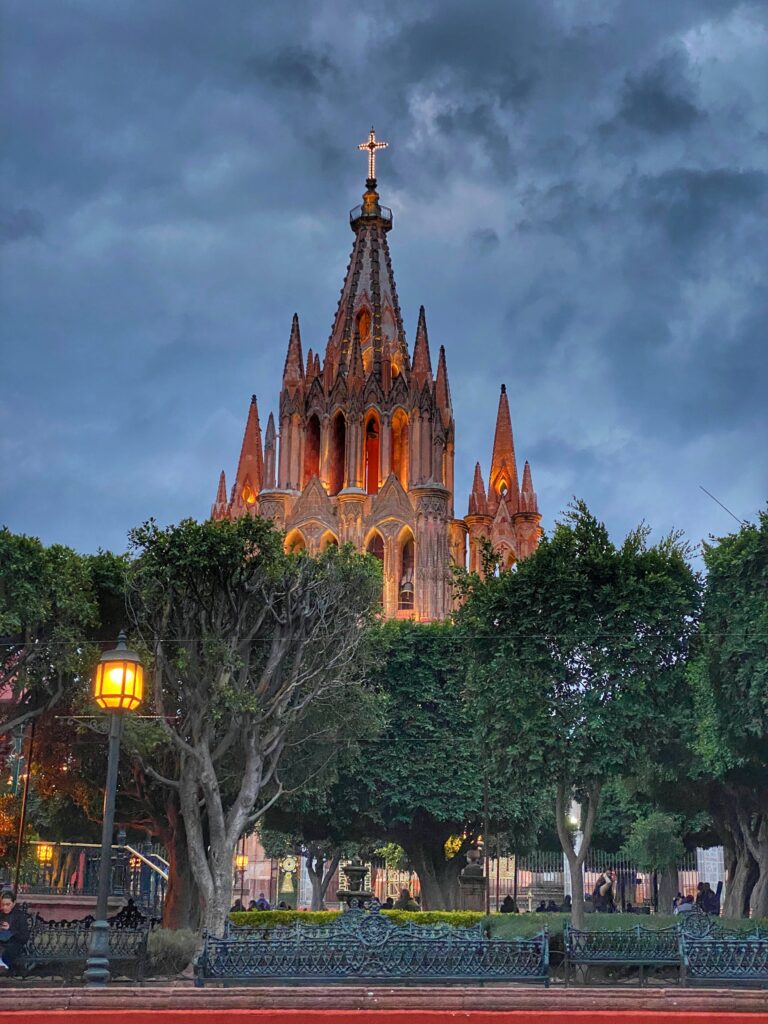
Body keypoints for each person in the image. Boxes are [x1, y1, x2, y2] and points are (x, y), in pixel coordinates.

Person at [0, 891, 29, 974]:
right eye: (3, 904)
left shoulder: (20, 916)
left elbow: (24, 937)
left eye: (8, 904)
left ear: (13, 903)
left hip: (14, 945)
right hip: (1, 943)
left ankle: (3, 965)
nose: (5, 907)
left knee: (7, 952)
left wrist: (10, 929)